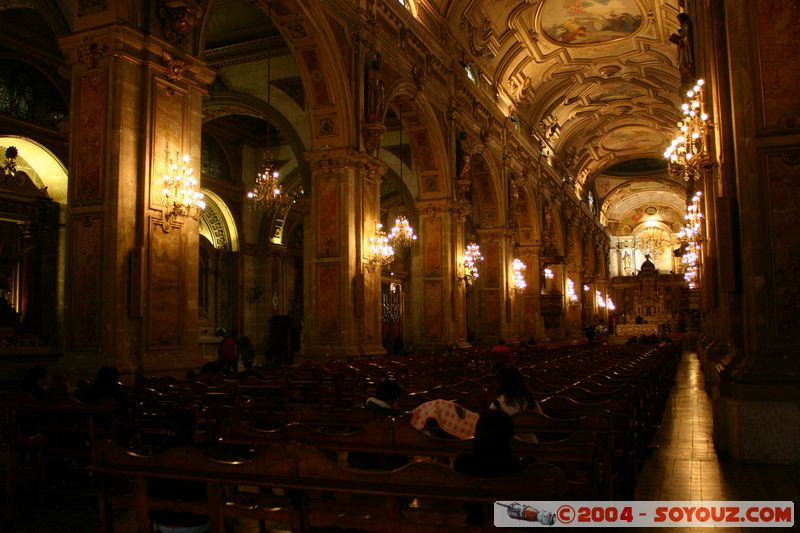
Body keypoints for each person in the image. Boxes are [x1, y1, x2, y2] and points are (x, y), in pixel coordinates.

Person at [454, 410, 527, 525]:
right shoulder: (516, 467)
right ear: (508, 435)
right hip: (511, 523)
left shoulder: (462, 463)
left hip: (475, 520)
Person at [149, 408, 210, 533]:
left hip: (162, 521)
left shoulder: (155, 454)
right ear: (193, 429)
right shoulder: (200, 458)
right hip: (195, 522)